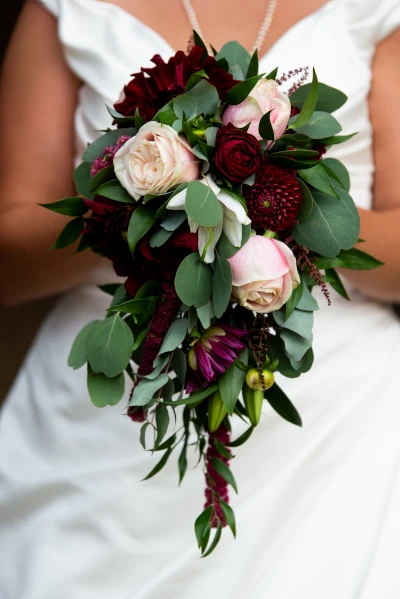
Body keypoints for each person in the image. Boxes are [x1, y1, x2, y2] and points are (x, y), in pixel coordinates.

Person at [0, 0, 399, 596]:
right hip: (106, 433)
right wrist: (141, 206)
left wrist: (279, 199)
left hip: (338, 432)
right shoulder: (61, 9)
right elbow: (10, 264)